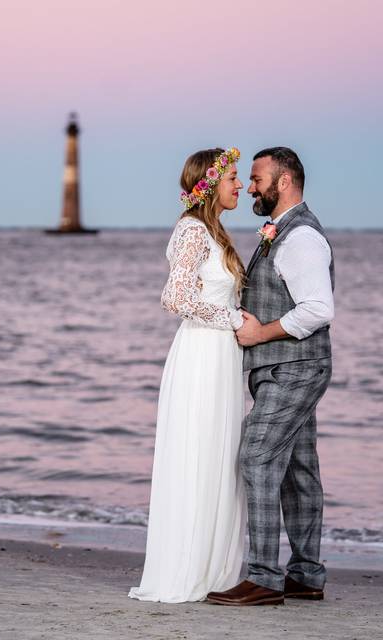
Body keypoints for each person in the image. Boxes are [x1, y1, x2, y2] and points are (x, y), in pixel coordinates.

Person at [206, 146, 335, 606]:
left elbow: (319, 309)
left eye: (258, 179)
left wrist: (261, 332)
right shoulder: (278, 233)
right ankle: (305, 575)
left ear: (284, 182)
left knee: (257, 456)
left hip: (295, 368)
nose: (251, 187)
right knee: (298, 470)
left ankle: (263, 577)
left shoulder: (301, 238)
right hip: (285, 368)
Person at [128, 147, 248, 603]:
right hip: (201, 354)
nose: (240, 185)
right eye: (234, 177)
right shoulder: (192, 231)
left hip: (220, 356)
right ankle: (188, 568)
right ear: (211, 182)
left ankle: (214, 569)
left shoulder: (214, 232)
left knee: (219, 456)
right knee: (199, 452)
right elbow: (174, 298)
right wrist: (235, 320)